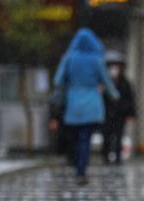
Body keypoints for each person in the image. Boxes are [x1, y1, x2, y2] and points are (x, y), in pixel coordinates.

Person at [53, 28, 120, 185]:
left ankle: (76, 164)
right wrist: (114, 95)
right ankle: (81, 171)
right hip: (91, 104)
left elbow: (58, 80)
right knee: (85, 139)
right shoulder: (96, 60)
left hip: (73, 104)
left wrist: (71, 84)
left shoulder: (69, 58)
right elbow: (107, 81)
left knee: (75, 139)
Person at [102, 50, 136, 165]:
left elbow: (130, 99)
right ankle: (106, 156)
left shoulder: (125, 83)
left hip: (120, 114)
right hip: (106, 113)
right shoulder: (104, 83)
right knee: (106, 136)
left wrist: (131, 114)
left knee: (119, 135)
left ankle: (117, 157)